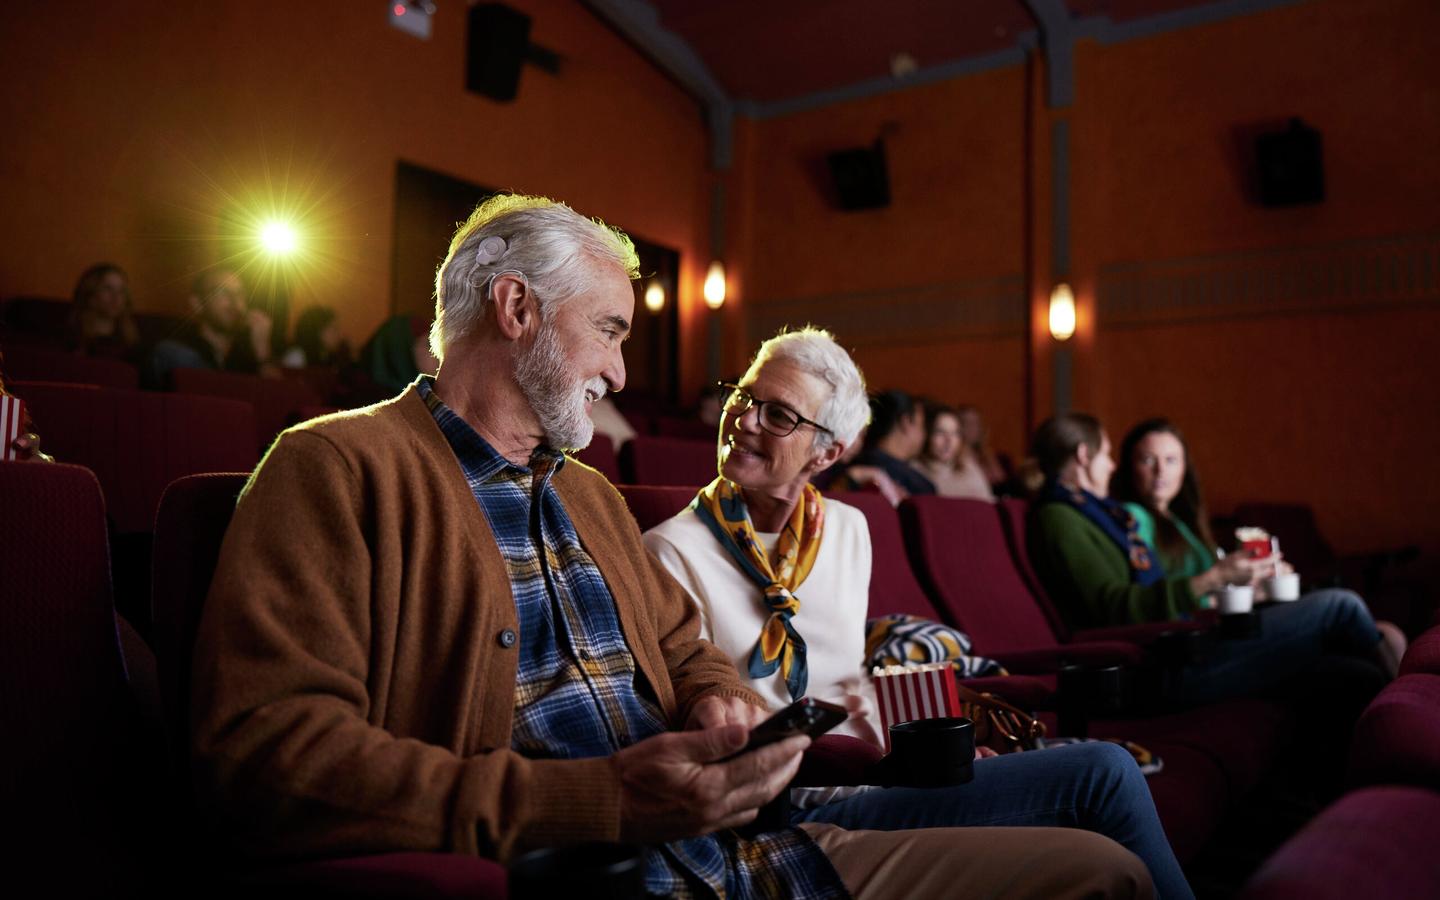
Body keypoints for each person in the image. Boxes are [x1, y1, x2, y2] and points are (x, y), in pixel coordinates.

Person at [190, 196, 1153, 900]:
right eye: (608, 331)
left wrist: (720, 701)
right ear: (517, 310)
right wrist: (594, 801)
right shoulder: (334, 468)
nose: (616, 370)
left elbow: (685, 644)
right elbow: (272, 758)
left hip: (753, 849)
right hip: (587, 870)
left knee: (1103, 874)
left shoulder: (591, 494)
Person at [643, 329, 1192, 899]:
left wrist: (933, 744)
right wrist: (874, 763)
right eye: (743, 396)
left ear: (828, 452)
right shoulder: (670, 550)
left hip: (888, 771)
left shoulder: (849, 528)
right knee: (1104, 775)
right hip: (802, 799)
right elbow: (705, 718)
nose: (746, 420)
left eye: (778, 414)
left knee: (1105, 773)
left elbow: (848, 677)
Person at [1026, 412, 1393, 703]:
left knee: (1357, 674)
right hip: (1164, 662)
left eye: (1171, 460)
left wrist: (1251, 589)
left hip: (1186, 641)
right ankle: (1412, 718)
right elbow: (1114, 607)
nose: (1112, 466)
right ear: (1083, 455)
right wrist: (1217, 579)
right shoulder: (1061, 517)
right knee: (1340, 606)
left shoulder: (1098, 516)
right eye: (1108, 455)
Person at [1111, 417, 1406, 668]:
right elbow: (1173, 599)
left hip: (1225, 624)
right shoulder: (1133, 518)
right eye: (1147, 460)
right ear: (1129, 466)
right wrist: (1228, 579)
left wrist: (1260, 587)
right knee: (1345, 605)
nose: (1161, 471)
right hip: (1198, 638)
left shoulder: (1180, 523)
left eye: (1171, 460)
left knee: (1378, 642)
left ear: (1184, 468)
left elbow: (1214, 594)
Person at [148, 268, 276, 385]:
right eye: (222, 291)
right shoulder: (176, 351)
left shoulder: (247, 357)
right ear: (197, 304)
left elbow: (275, 400)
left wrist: (262, 351)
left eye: (240, 293)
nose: (234, 300)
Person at [842, 389, 935, 498]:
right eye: (922, 426)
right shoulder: (918, 486)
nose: (925, 435)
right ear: (906, 422)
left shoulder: (849, 464)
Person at [912, 402, 995, 501]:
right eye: (940, 432)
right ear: (927, 435)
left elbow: (988, 504)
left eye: (955, 433)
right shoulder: (914, 470)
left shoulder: (970, 468)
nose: (948, 440)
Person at [69, 262, 141, 361]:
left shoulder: (131, 345)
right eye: (107, 289)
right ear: (90, 294)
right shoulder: (72, 341)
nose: (116, 298)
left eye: (121, 291)